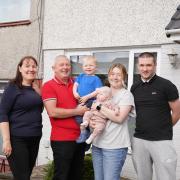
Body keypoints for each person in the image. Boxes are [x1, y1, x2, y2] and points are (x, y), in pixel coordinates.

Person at [131, 52, 180, 180]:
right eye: (142, 65)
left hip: (162, 140)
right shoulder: (134, 87)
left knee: (166, 177)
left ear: (155, 65)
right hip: (139, 140)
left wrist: (163, 127)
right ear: (138, 66)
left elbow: (177, 112)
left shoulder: (166, 85)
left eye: (148, 65)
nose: (145, 69)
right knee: (143, 177)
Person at [41, 55, 89, 180]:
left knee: (77, 175)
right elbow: (53, 112)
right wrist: (77, 112)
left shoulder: (76, 84)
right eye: (61, 65)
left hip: (79, 137)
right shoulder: (48, 86)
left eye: (67, 64)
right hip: (62, 140)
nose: (65, 67)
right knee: (61, 176)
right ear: (54, 68)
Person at [90, 63, 136, 180]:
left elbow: (119, 118)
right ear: (108, 75)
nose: (115, 77)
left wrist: (99, 106)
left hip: (115, 147)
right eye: (112, 74)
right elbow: (94, 112)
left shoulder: (126, 95)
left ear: (124, 77)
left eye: (119, 75)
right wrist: (91, 122)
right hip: (97, 144)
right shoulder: (102, 92)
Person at [0, 56, 43, 180]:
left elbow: (39, 109)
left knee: (25, 175)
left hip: (34, 136)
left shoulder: (36, 88)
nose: (31, 69)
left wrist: (39, 91)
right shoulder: (12, 87)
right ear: (20, 68)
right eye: (27, 66)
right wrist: (7, 141)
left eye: (34, 66)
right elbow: (3, 113)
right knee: (23, 177)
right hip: (17, 139)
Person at [73, 55, 103, 143]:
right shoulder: (81, 76)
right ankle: (84, 133)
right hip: (80, 100)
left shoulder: (96, 79)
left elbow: (97, 91)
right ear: (82, 67)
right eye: (86, 65)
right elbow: (75, 85)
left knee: (87, 116)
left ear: (95, 67)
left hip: (90, 101)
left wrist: (87, 97)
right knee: (78, 118)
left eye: (91, 65)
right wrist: (75, 92)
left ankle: (88, 134)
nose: (88, 67)